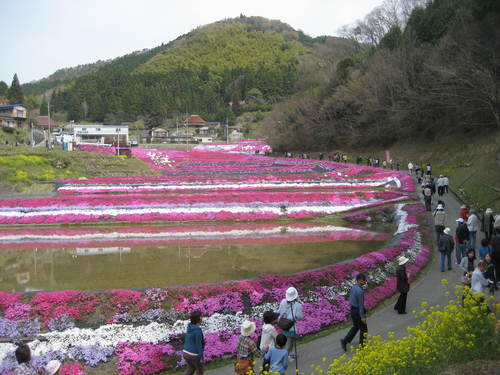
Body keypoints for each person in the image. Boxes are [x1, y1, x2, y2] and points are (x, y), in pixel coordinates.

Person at [340, 273, 368, 351]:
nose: (365, 282)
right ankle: (362, 346)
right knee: (364, 329)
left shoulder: (354, 287)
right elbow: (361, 305)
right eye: (363, 280)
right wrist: (362, 317)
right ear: (359, 280)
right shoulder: (360, 291)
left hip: (353, 310)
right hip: (358, 311)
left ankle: (345, 341)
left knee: (356, 327)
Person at [278, 287, 303, 359]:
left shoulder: (283, 301)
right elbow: (300, 317)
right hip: (291, 327)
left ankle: (290, 353)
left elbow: (279, 312)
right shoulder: (297, 305)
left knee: (288, 340)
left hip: (283, 324)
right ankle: (284, 357)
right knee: (289, 342)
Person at [183, 310, 205, 375]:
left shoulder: (189, 326)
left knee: (191, 369)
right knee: (199, 371)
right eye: (201, 317)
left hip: (185, 352)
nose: (202, 318)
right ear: (198, 318)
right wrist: (201, 357)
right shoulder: (198, 330)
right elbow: (199, 344)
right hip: (193, 354)